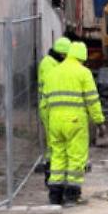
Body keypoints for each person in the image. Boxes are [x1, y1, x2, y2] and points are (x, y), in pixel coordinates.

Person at [40, 41, 105, 206]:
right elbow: (92, 100)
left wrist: (47, 122)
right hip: (75, 122)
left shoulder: (53, 73)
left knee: (58, 157)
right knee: (76, 157)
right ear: (82, 57)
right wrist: (99, 121)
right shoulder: (84, 73)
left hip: (54, 122)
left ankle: (55, 196)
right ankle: (71, 196)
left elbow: (44, 102)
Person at [37, 36, 72, 185]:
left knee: (56, 143)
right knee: (53, 144)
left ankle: (55, 175)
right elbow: (53, 85)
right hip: (49, 108)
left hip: (54, 108)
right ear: (62, 54)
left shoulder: (52, 62)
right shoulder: (49, 64)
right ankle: (50, 175)